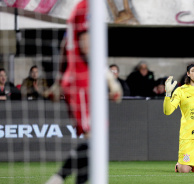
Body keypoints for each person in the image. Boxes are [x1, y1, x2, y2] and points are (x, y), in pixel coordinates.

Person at [45, 0, 122, 183]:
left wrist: (58, 82)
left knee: (95, 145)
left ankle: (63, 178)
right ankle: (58, 178)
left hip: (76, 82)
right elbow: (87, 47)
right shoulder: (88, 7)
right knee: (95, 141)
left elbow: (65, 45)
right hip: (82, 82)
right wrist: (110, 79)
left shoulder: (76, 10)